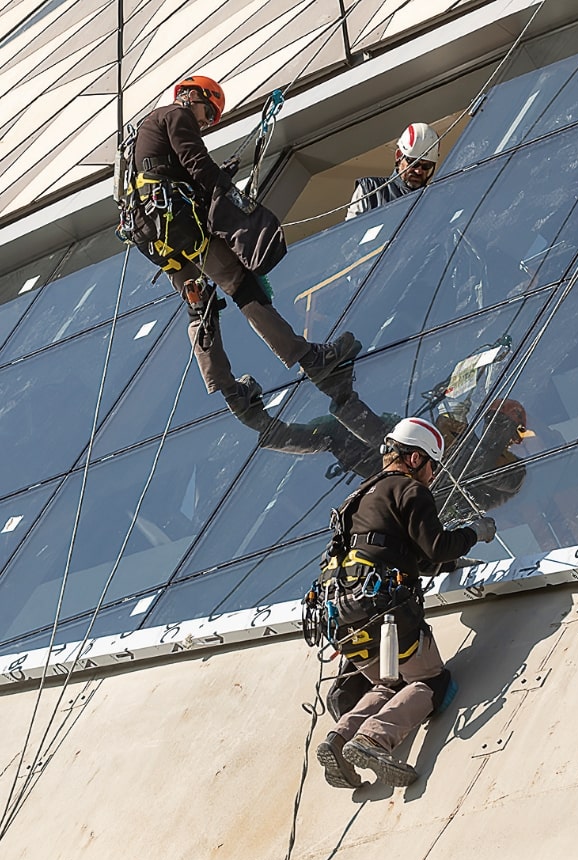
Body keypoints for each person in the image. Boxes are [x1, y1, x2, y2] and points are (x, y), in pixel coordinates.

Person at [130, 74, 360, 423]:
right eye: (207, 113)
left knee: (199, 306)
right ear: (191, 96)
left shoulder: (147, 131)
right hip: (179, 225)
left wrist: (216, 174)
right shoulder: (176, 115)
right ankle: (309, 358)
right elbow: (195, 163)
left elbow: (174, 170)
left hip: (156, 236)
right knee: (240, 284)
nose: (205, 123)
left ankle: (230, 393)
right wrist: (224, 185)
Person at [312, 417, 496, 789]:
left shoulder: (360, 499)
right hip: (386, 615)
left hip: (344, 621)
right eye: (432, 466)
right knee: (430, 680)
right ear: (415, 459)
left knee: (387, 684)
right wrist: (475, 533)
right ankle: (373, 740)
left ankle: (340, 738)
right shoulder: (409, 491)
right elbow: (437, 547)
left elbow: (418, 559)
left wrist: (454, 563)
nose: (432, 476)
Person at [345, 123, 440, 220]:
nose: (418, 171)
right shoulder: (371, 190)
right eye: (413, 163)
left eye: (426, 166)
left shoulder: (434, 202)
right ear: (399, 156)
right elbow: (351, 233)